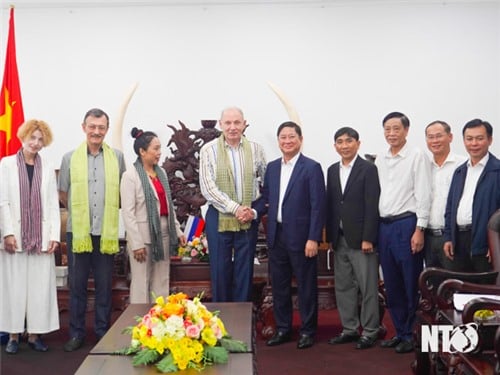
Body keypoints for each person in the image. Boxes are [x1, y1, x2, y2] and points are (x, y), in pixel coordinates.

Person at [58, 108, 126, 352]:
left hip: (105, 233)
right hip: (78, 232)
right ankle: (76, 333)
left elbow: (121, 192)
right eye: (92, 126)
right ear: (83, 127)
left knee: (104, 285)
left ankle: (102, 333)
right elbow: (64, 193)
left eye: (101, 127)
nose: (96, 131)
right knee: (76, 285)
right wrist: (81, 216)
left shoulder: (117, 157)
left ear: (106, 129)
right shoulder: (69, 158)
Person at [260, 121, 325, 350]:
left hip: (302, 238)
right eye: (283, 137)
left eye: (291, 137)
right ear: (278, 141)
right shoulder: (273, 167)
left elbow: (318, 206)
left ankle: (307, 331)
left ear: (300, 139)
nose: (287, 141)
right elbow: (266, 199)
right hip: (277, 236)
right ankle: (283, 328)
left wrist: (313, 238)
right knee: (279, 287)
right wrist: (249, 211)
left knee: (306, 286)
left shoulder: (311, 167)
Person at [0, 119, 60, 354]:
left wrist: (54, 234)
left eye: (40, 139)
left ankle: (35, 335)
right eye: (32, 138)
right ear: (23, 137)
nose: (35, 143)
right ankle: (13, 335)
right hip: (14, 237)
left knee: (39, 288)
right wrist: (8, 233)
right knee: (14, 287)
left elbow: (53, 205)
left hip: (40, 237)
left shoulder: (47, 166)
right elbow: (3, 202)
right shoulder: (6, 164)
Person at [375, 112, 431, 354]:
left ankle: (412, 334)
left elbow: (424, 194)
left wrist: (420, 229)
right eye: (387, 129)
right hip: (384, 227)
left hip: (407, 225)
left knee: (410, 283)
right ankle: (400, 331)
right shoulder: (381, 158)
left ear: (406, 131)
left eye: (396, 128)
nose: (391, 133)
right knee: (392, 283)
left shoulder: (417, 155)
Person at [199, 107, 266, 302]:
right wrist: (235, 208)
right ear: (220, 125)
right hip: (219, 218)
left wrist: (252, 211)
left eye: (237, 123)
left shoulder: (256, 149)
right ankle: (221, 323)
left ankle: (242, 322)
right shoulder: (208, 150)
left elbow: (264, 181)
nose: (232, 127)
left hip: (248, 218)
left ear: (244, 124)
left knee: (245, 272)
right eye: (228, 123)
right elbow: (208, 188)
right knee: (220, 271)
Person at [325, 127, 381, 350]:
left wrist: (369, 237)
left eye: (349, 141)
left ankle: (370, 331)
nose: (344, 145)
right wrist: (329, 236)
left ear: (358, 143)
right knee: (344, 286)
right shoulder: (331, 170)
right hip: (339, 239)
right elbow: (332, 204)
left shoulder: (368, 169)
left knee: (367, 287)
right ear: (335, 146)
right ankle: (349, 329)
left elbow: (372, 204)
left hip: (361, 240)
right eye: (340, 141)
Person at [120, 127, 186, 303]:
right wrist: (136, 243)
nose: (159, 153)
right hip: (142, 237)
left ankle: (160, 322)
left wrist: (178, 232)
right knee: (141, 282)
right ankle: (140, 325)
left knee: (162, 281)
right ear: (142, 151)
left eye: (159, 148)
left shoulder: (161, 173)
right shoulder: (130, 176)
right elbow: (128, 213)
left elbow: (169, 205)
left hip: (164, 233)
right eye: (155, 149)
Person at [443, 119, 500, 273]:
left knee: (485, 292)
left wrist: (496, 242)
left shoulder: (497, 170)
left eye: (479, 138)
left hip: (485, 243)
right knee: (460, 290)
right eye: (469, 139)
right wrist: (449, 237)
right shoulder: (460, 171)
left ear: (490, 140)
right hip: (459, 243)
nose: (474, 143)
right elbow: (450, 208)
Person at [424, 121, 466, 268]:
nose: (435, 141)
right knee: (430, 286)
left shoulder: (463, 165)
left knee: (454, 284)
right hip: (427, 237)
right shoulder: (424, 166)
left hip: (452, 237)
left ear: (450, 137)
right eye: (430, 137)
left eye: (439, 136)